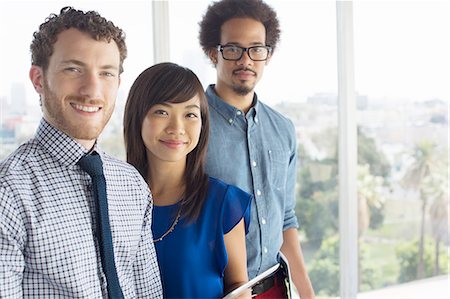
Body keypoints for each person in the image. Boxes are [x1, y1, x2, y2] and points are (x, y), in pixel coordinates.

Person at [0, 7, 162, 298]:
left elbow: (147, 291)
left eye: (106, 73)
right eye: (74, 69)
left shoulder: (132, 185)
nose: (92, 89)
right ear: (38, 79)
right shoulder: (9, 192)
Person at [199, 0, 315, 298]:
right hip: (218, 292)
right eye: (234, 49)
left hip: (275, 287)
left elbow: (286, 217)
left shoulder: (283, 129)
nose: (246, 60)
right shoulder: (192, 126)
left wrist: (307, 292)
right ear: (214, 52)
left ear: (268, 55)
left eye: (256, 49)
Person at [123, 62, 252, 298]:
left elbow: (239, 288)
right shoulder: (112, 199)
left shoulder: (224, 203)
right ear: (137, 117)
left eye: (190, 114)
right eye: (162, 112)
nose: (177, 128)